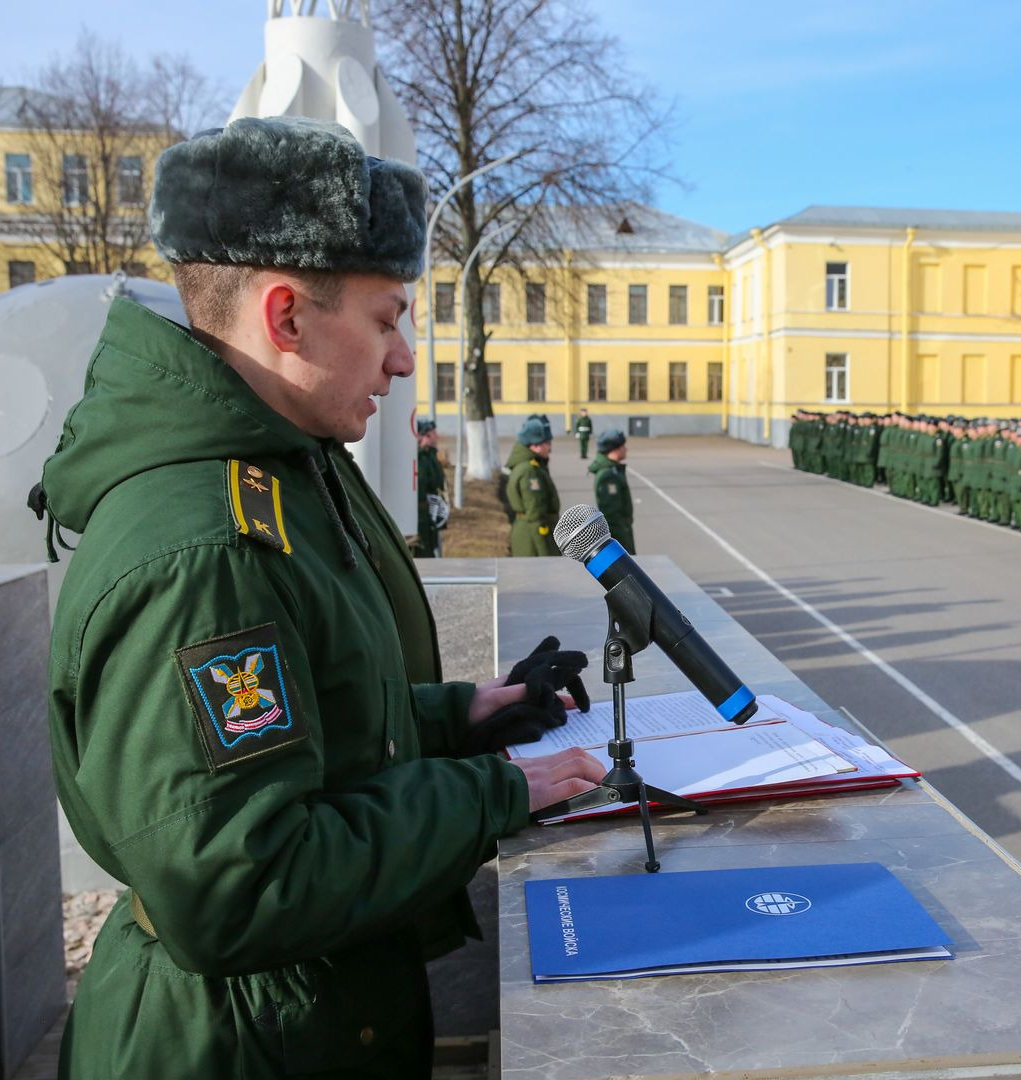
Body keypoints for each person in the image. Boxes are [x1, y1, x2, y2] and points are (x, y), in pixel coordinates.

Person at [34, 117, 604, 1079]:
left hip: (296, 1018)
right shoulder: (204, 550)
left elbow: (302, 730)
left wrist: (458, 716)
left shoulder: (282, 469)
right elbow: (238, 882)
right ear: (288, 315)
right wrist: (493, 793)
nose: (404, 358)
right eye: (386, 319)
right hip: (234, 1044)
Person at [507, 415, 561, 556]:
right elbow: (535, 514)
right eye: (547, 443)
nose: (549, 448)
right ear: (535, 445)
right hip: (533, 540)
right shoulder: (530, 472)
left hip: (530, 535)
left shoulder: (530, 466)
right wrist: (545, 553)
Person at [589, 428, 634, 552]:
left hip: (622, 531)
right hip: (619, 536)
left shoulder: (612, 470)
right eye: (622, 446)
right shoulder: (608, 476)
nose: (626, 449)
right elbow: (612, 516)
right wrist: (625, 545)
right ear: (614, 449)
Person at [414, 417, 447, 557]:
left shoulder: (431, 455)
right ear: (423, 435)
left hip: (430, 512)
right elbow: (420, 483)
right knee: (423, 551)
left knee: (431, 548)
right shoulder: (416, 457)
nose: (436, 436)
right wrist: (420, 450)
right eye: (432, 433)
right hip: (419, 514)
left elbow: (438, 481)